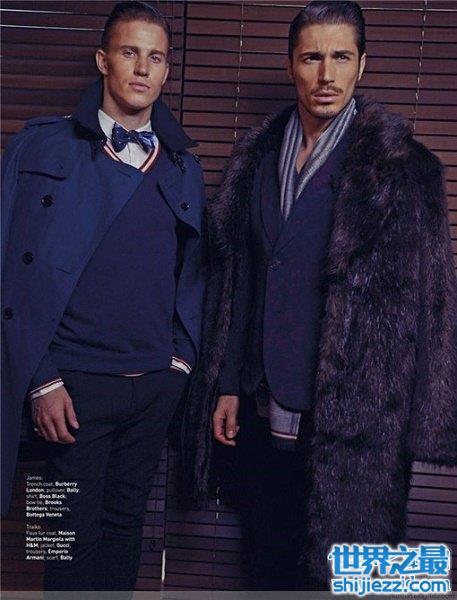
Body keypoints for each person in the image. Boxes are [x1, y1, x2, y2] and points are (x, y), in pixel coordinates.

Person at [182, 0, 457, 590]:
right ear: (290, 65)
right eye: (311, 58)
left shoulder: (405, 169)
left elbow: (433, 305)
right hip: (260, 398)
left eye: (341, 57)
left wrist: (422, 420)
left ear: (362, 65)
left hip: (356, 416)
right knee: (267, 560)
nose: (326, 74)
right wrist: (227, 383)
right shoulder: (258, 159)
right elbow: (240, 279)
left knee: (343, 575)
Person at [1, 1, 206, 591]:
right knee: (63, 543)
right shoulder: (40, 147)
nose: (142, 68)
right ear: (102, 60)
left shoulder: (183, 167)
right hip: (70, 388)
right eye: (128, 52)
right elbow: (10, 269)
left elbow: (194, 275)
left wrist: (179, 363)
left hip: (152, 386)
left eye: (156, 57)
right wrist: (41, 378)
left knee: (124, 533)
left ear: (166, 71)